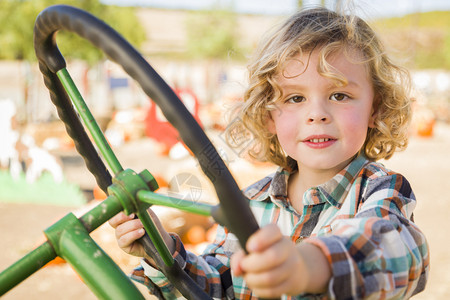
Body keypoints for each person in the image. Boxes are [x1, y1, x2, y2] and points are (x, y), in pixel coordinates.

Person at [109, 6, 429, 299]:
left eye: (340, 95)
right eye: (294, 99)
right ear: (268, 116)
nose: (316, 114)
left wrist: (307, 267)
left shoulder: (380, 191)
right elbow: (216, 284)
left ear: (376, 108)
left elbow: (395, 251)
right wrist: (161, 249)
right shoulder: (249, 203)